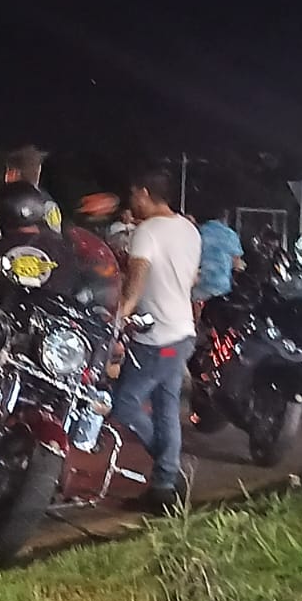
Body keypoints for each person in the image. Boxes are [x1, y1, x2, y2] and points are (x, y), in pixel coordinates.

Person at [111, 169, 202, 514]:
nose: (131, 201)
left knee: (124, 404)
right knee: (166, 409)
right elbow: (191, 279)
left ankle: (169, 467)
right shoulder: (189, 230)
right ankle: (164, 488)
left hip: (157, 339)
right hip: (183, 332)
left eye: (134, 194)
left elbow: (134, 288)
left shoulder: (146, 232)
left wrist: (116, 317)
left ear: (145, 193)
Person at [3, 145, 61, 231]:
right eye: (34, 166)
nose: (37, 171)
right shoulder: (47, 204)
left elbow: (55, 234)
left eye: (38, 166)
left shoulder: (47, 204)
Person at [193, 208, 244, 304]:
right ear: (225, 218)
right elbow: (237, 263)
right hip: (223, 287)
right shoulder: (230, 234)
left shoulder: (199, 231)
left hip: (202, 285)